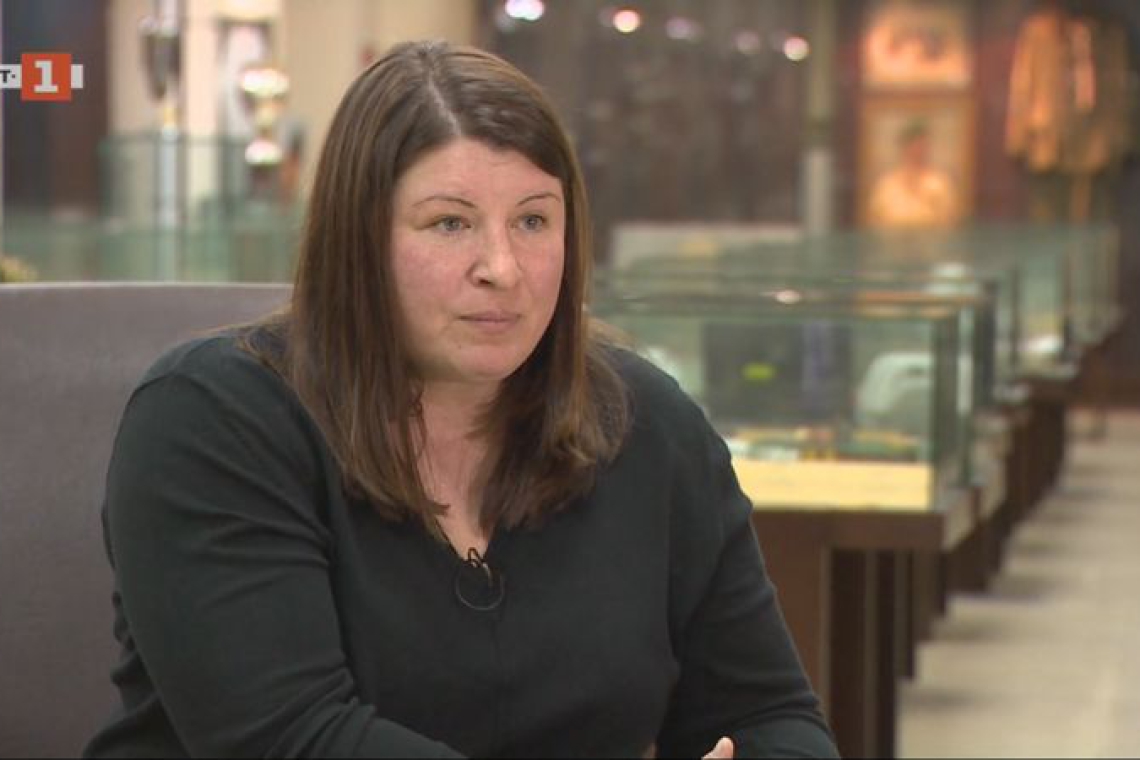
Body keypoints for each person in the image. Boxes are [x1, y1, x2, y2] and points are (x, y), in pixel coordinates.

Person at [84, 40, 837, 759]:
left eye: (533, 221)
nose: (502, 268)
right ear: (360, 241)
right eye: (451, 223)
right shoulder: (212, 420)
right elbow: (293, 739)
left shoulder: (647, 425)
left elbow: (770, 714)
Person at [867, 118, 960, 229]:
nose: (917, 150)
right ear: (903, 148)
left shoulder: (940, 182)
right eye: (913, 145)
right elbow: (874, 220)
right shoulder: (886, 184)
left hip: (930, 238)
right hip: (892, 238)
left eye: (922, 145)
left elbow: (949, 221)